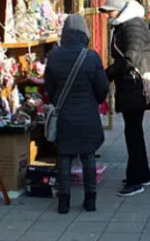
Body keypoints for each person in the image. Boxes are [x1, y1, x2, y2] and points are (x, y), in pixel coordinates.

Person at [44, 14, 109, 214]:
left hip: (65, 115)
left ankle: (63, 202)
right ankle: (90, 200)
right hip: (87, 114)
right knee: (88, 155)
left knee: (64, 156)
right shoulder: (91, 57)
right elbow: (103, 87)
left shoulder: (54, 56)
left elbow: (49, 88)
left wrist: (59, 102)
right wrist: (94, 101)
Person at [99, 0, 150, 197]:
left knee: (133, 134)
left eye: (109, 11)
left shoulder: (132, 25)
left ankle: (135, 180)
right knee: (134, 132)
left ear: (120, 10)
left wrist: (108, 73)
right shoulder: (126, 24)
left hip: (134, 86)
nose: (107, 16)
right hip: (130, 86)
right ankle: (143, 174)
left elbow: (130, 57)